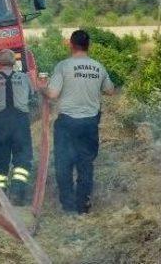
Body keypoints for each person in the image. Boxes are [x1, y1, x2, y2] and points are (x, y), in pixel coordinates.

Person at [39, 29, 115, 214]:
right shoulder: (99, 67)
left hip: (67, 123)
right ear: (88, 45)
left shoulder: (63, 66)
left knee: (64, 163)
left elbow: (53, 94)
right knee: (86, 163)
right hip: (90, 123)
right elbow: (110, 90)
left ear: (71, 45)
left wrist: (42, 87)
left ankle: (68, 205)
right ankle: (83, 204)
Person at [0, 49, 34, 206]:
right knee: (23, 158)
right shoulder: (24, 78)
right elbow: (31, 95)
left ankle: (0, 196)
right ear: (14, 62)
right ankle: (17, 193)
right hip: (20, 121)